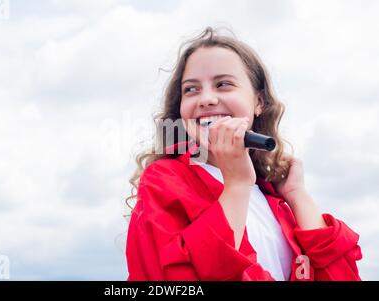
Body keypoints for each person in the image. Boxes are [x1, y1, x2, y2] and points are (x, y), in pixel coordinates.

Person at [125, 27, 362, 281]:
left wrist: (297, 196)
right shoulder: (164, 181)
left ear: (258, 102)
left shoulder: (273, 198)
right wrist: (236, 184)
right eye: (191, 89)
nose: (205, 99)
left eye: (223, 84)